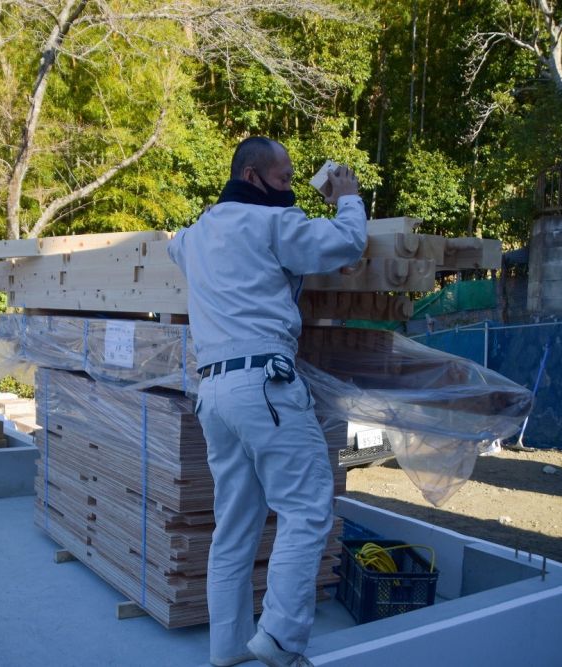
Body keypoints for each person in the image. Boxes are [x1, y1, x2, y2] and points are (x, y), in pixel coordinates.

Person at [167, 137, 365, 667]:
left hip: (213, 392)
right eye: (283, 179)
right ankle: (280, 637)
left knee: (234, 528)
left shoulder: (195, 236)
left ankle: (227, 647)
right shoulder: (271, 224)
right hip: (265, 386)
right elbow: (344, 244)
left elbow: (172, 244)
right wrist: (346, 197)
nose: (290, 189)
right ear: (252, 177)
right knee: (306, 509)